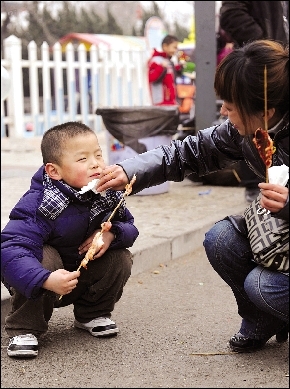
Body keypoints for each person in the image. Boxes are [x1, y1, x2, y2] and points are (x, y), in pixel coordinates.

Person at [96, 40, 289, 353]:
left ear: (266, 111)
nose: (223, 112)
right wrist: (130, 170)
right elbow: (190, 152)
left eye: (230, 105)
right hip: (279, 234)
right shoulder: (246, 129)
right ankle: (263, 320)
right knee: (221, 238)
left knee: (263, 287)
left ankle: (272, 306)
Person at [1, 121, 139, 358]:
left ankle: (92, 314)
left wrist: (112, 233)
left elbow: (129, 226)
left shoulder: (107, 194)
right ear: (54, 171)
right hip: (43, 280)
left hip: (79, 274)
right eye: (82, 159)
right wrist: (44, 278)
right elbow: (10, 248)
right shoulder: (41, 203)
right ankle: (24, 328)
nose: (95, 163)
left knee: (120, 256)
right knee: (44, 255)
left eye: (98, 154)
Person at [219, 0, 289, 203]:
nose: (223, 111)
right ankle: (256, 185)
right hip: (263, 66)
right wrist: (263, 49)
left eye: (230, 106)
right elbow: (231, 12)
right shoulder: (233, 131)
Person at [148, 34, 182, 107]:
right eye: (174, 47)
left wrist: (179, 68)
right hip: (161, 102)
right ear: (165, 46)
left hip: (169, 101)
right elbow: (151, 78)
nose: (175, 50)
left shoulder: (167, 61)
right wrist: (161, 67)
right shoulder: (156, 60)